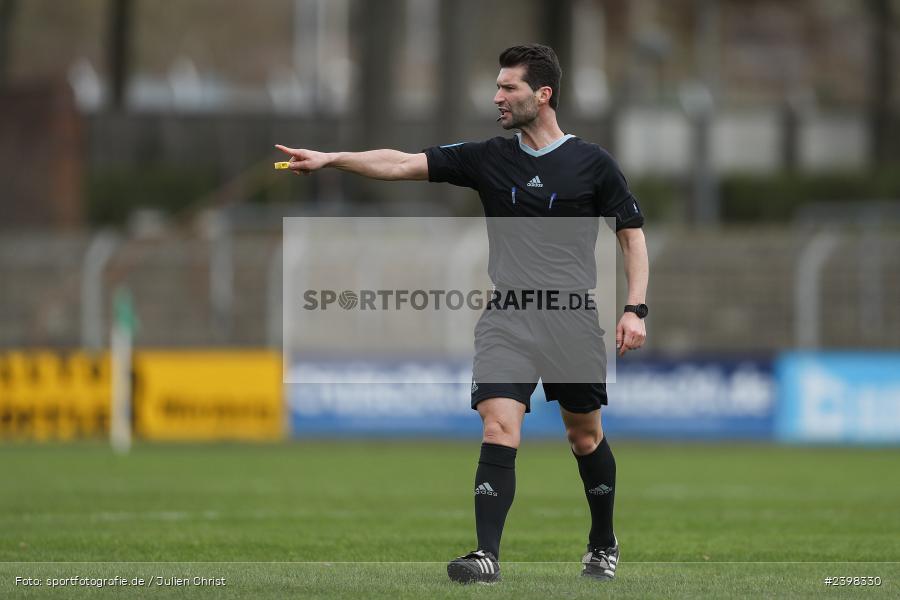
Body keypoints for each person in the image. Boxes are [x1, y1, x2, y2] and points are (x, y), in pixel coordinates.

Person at [275, 43, 648, 584]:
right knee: (499, 426)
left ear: (542, 95)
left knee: (583, 436)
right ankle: (486, 554)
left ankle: (602, 541)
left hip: (571, 318)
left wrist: (634, 308)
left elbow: (632, 239)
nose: (497, 96)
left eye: (508, 87)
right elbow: (402, 162)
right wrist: (333, 159)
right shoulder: (487, 158)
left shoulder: (592, 163)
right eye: (497, 86)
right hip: (508, 316)